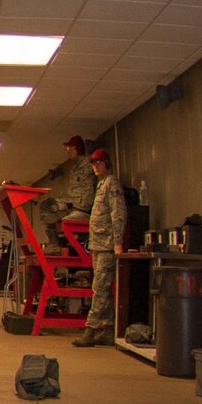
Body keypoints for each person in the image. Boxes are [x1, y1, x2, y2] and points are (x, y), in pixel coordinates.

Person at [74, 146, 125, 347]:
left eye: (99, 163)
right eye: (93, 163)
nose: (95, 166)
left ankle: (90, 329)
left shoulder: (111, 183)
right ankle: (109, 328)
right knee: (102, 288)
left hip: (107, 246)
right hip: (98, 244)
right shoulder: (100, 184)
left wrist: (117, 242)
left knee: (99, 289)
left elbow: (117, 214)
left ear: (106, 164)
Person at [38, 135, 96, 250]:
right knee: (47, 209)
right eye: (67, 149)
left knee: (63, 220)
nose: (68, 152)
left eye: (70, 149)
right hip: (72, 204)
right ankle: (54, 244)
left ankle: (68, 242)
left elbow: (96, 163)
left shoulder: (88, 163)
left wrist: (91, 150)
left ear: (78, 149)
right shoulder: (75, 168)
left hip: (82, 208)